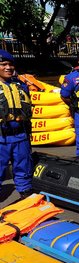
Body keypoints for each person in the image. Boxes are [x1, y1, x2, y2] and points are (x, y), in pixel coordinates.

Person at [0, 50, 33, 200]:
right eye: (3, 64)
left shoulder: (21, 85)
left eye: (10, 64)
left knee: (23, 165)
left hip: (20, 134)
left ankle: (24, 192)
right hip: (1, 137)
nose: (8, 67)